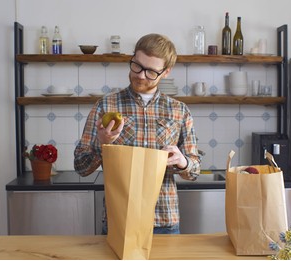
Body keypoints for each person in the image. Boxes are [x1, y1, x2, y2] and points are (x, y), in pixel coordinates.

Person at [74, 33, 201, 234]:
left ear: (166, 72)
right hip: (120, 220)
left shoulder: (179, 110)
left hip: (164, 221)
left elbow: (194, 170)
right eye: (137, 66)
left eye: (151, 71)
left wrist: (183, 161)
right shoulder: (106, 105)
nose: (141, 75)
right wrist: (102, 144)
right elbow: (81, 167)